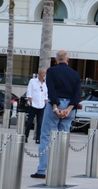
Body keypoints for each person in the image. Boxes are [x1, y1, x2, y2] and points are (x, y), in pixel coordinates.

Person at [31, 50, 81, 179]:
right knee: (63, 139)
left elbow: (51, 90)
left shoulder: (51, 72)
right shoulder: (75, 74)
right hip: (69, 107)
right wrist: (69, 109)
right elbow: (77, 94)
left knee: (46, 137)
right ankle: (59, 169)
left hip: (55, 105)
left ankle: (42, 170)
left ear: (56, 59)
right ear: (67, 59)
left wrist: (55, 107)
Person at [25, 68, 48, 144]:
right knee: (30, 122)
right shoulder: (33, 81)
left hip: (41, 105)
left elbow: (46, 94)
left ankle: (38, 138)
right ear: (41, 74)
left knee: (40, 123)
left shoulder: (45, 83)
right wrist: (30, 101)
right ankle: (26, 136)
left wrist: (45, 101)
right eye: (44, 73)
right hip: (33, 105)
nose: (45, 75)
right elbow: (29, 92)